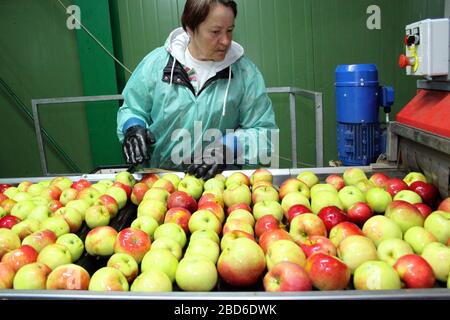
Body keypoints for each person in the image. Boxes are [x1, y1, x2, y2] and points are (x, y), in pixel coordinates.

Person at [117, 0, 278, 180]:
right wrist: (132, 126)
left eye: (230, 30)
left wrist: (228, 147)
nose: (225, 41)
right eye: (215, 32)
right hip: (159, 182)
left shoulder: (245, 74)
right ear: (190, 28)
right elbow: (132, 108)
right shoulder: (156, 65)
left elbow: (265, 133)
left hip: (217, 186)